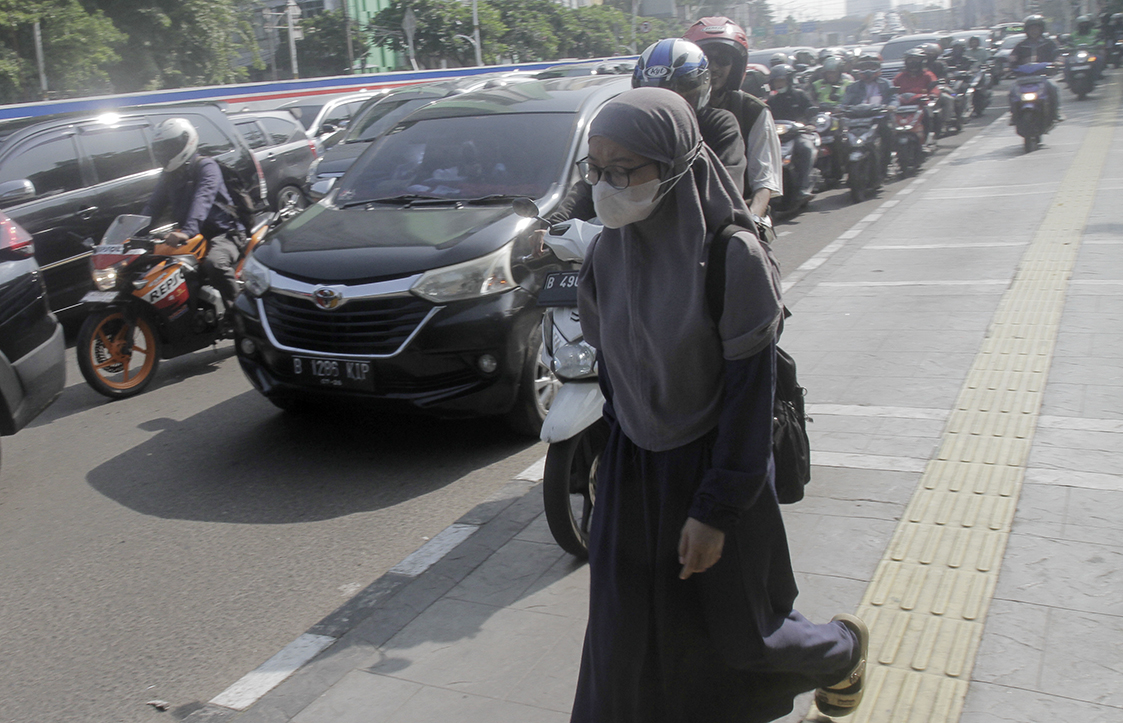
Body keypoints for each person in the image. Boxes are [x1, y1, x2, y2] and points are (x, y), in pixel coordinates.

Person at [571, 86, 869, 723]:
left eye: (624, 170)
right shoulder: (604, 254)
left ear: (677, 163)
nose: (605, 186)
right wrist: (610, 468)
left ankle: (840, 650)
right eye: (596, 169)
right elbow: (615, 379)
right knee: (622, 643)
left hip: (714, 472)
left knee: (743, 636)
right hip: (632, 476)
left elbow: (747, 405)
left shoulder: (732, 257)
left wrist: (714, 511)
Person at [546, 37, 746, 224]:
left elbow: (726, 189)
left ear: (699, 88)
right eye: (650, 93)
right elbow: (594, 183)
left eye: (675, 93)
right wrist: (557, 225)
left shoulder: (719, 125)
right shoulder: (632, 127)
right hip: (631, 232)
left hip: (697, 237)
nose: (662, 105)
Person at [142, 118, 245, 315]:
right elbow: (153, 206)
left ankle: (240, 314)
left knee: (214, 264)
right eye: (161, 149)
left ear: (186, 142)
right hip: (192, 236)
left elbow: (202, 199)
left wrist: (187, 231)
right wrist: (133, 233)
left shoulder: (206, 166)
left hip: (223, 233)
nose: (165, 153)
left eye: (169, 147)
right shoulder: (169, 175)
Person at [683, 17, 781, 224]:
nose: (715, 68)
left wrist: (750, 221)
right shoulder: (675, 106)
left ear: (735, 66)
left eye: (724, 60)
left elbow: (764, 182)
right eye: (707, 59)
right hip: (681, 219)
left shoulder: (752, 111)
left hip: (736, 217)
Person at [766, 64, 817, 202]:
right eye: (776, 81)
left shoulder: (799, 95)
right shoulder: (772, 100)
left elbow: (811, 110)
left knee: (806, 149)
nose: (779, 84)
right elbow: (765, 117)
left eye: (781, 80)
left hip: (799, 133)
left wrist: (811, 124)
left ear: (789, 80)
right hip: (778, 136)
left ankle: (803, 188)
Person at [1012, 15, 1062, 122]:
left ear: (1041, 29)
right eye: (1031, 28)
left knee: (1053, 87)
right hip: (1024, 78)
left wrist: (1058, 61)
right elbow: (1013, 57)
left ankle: (1056, 113)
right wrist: (1009, 64)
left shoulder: (1049, 43)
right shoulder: (1021, 45)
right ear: (1027, 30)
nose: (1034, 31)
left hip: (1043, 76)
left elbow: (1057, 53)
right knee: (1012, 91)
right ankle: (1014, 115)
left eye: (1036, 28)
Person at [894, 48, 940, 137]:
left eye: (916, 60)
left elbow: (934, 87)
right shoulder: (900, 76)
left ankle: (927, 137)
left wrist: (932, 95)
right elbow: (892, 88)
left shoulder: (928, 75)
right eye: (910, 60)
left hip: (921, 103)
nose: (913, 63)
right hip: (902, 104)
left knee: (929, 114)